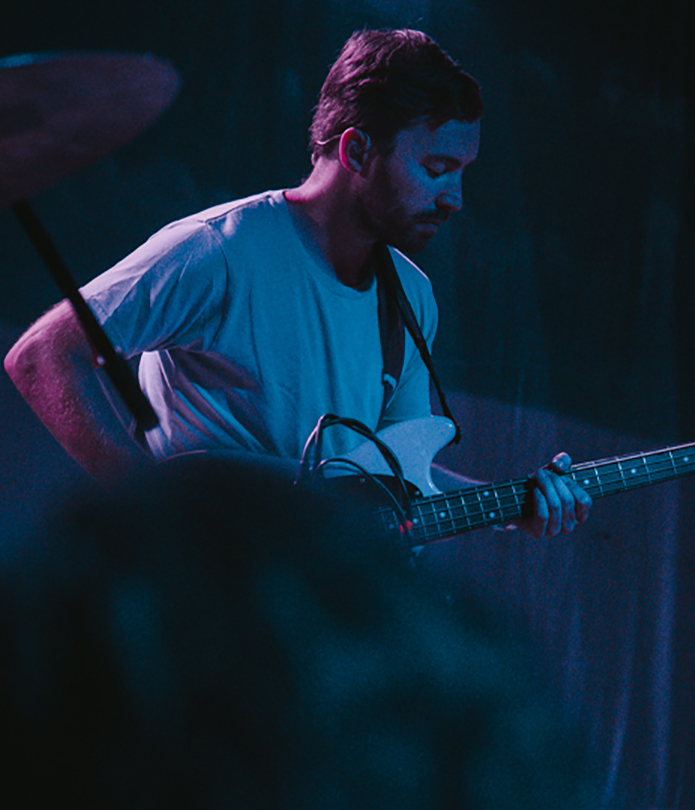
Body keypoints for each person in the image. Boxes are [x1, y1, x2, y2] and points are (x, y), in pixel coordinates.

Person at [1, 458, 626, 810]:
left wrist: (510, 499)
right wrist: (167, 512)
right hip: (214, 614)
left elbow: (403, 463)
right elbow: (44, 365)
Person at [4, 28, 590, 537]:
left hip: (297, 614)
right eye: (436, 169)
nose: (455, 198)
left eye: (462, 173)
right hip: (199, 604)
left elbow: (395, 479)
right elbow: (41, 355)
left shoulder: (412, 297)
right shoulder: (220, 250)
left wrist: (515, 504)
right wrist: (153, 513)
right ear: (356, 150)